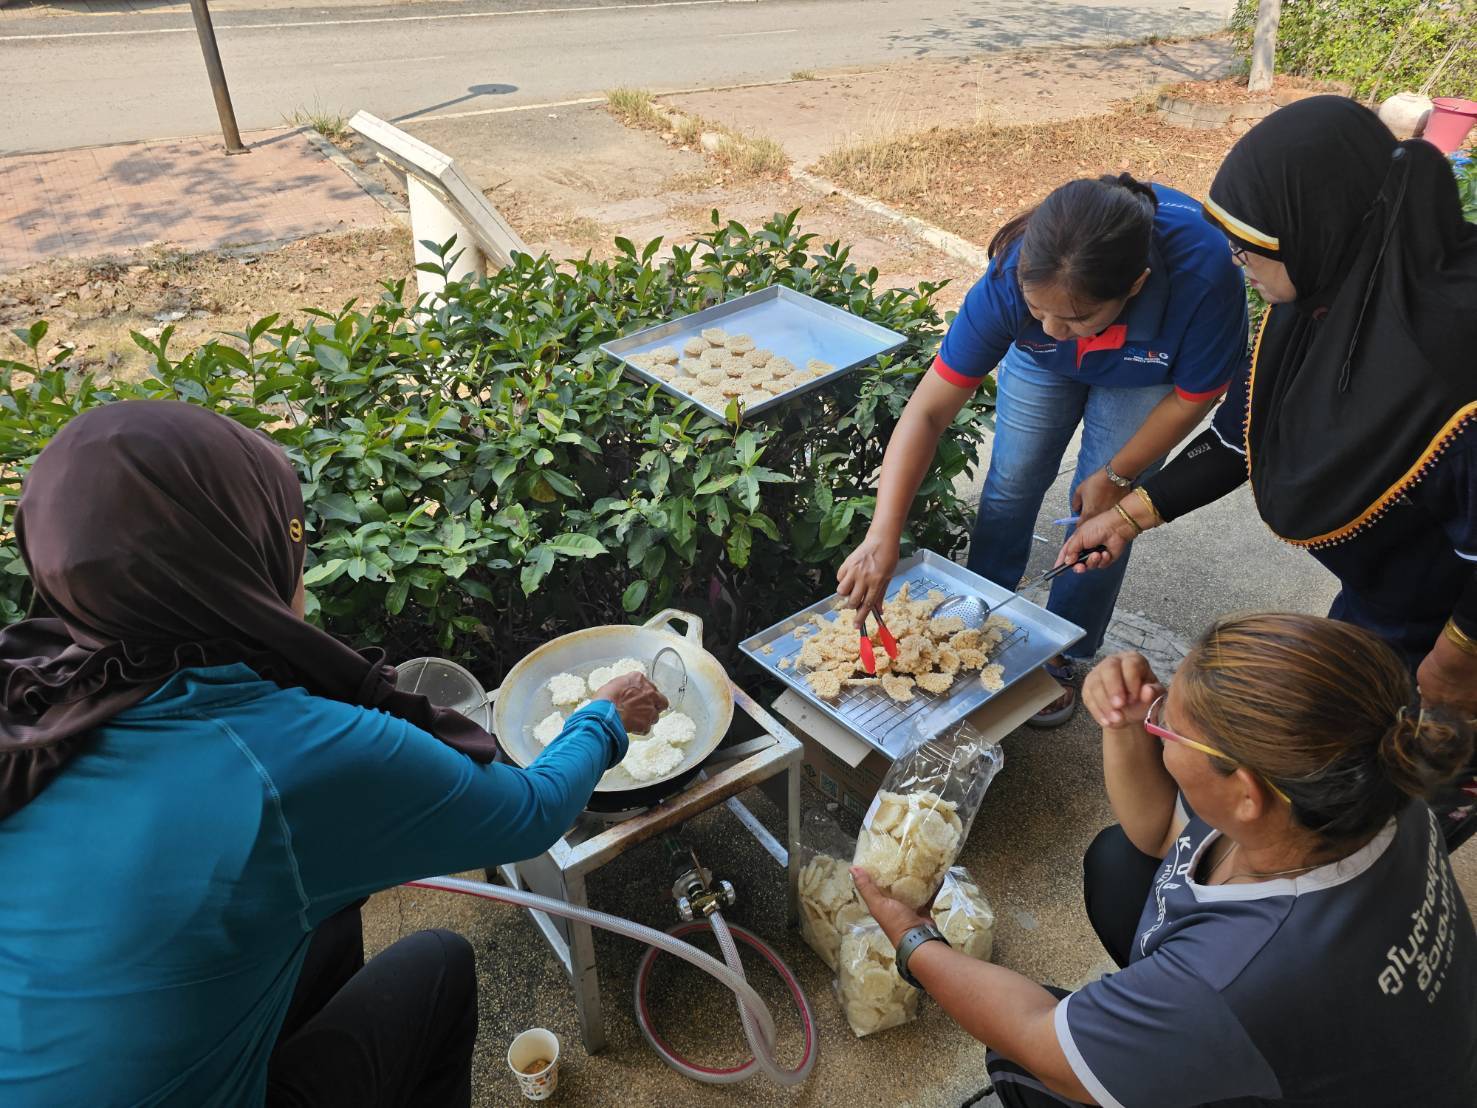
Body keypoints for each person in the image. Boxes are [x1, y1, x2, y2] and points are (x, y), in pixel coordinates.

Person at [0, 401, 668, 1107]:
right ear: (240, 559)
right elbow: (530, 812)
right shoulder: (285, 759)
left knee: (327, 920)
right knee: (436, 966)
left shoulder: (32, 690)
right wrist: (604, 718)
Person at [1059, 96, 1477, 845]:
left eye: (1248, 248)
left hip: (1457, 633)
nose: (1233, 265)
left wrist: (1451, 667)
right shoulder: (1321, 301)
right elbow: (1235, 442)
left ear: (1316, 226)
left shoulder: (1451, 355)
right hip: (1386, 602)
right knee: (1346, 765)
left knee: (1418, 793)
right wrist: (1121, 517)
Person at [854, 612, 1477, 1107]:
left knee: (1024, 1068)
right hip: (1358, 1053)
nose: (1157, 724)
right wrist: (1125, 727)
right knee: (1121, 864)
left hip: (1274, 1041)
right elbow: (1157, 834)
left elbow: (1036, 1035)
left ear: (1246, 793)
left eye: (1167, 729)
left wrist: (912, 939)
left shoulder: (1235, 980)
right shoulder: (1364, 781)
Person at [838, 173, 1247, 726]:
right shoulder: (1014, 277)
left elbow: (1194, 398)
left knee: (1100, 517)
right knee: (1011, 483)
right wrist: (881, 535)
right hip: (1041, 371)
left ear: (1135, 286)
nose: (1054, 330)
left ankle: (1065, 651)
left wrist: (1121, 476)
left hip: (1149, 375)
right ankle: (978, 612)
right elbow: (928, 410)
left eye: (1075, 317)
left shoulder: (1204, 277)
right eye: (1038, 311)